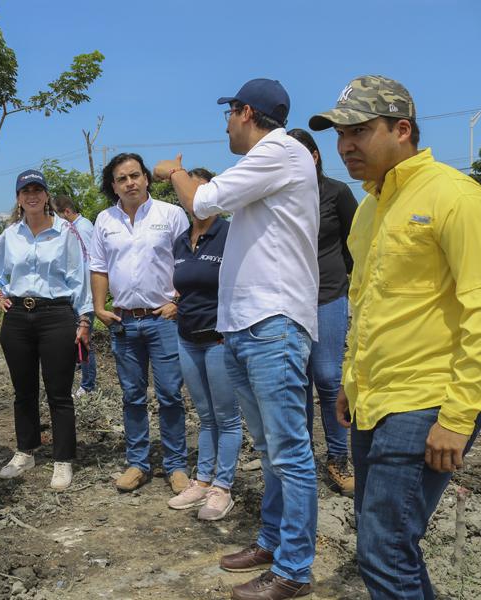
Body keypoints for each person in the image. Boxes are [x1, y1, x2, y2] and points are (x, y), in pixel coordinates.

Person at [309, 75, 481, 599]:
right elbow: (370, 305)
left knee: (384, 546)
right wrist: (351, 382)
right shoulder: (371, 211)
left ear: (402, 129)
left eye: (359, 131)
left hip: (428, 401)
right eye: (339, 134)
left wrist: (460, 414)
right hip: (372, 401)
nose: (345, 146)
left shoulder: (456, 198)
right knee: (385, 541)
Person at [154, 78, 319, 600]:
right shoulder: (265, 165)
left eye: (228, 114)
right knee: (271, 449)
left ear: (246, 113)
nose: (225, 124)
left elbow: (204, 200)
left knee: (289, 452)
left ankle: (294, 569)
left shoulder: (279, 150)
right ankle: (273, 540)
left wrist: (174, 171)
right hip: (247, 326)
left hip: (274, 325)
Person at [0, 170, 92, 491]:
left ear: (46, 196)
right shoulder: (11, 234)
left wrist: (84, 320)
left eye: (37, 190)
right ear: (18, 198)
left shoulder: (65, 232)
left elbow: (78, 277)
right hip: (18, 315)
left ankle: (62, 460)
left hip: (56, 314)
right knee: (23, 391)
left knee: (59, 393)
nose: (32, 196)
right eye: (25, 191)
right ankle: (25, 451)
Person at [90, 152, 190, 494]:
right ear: (113, 186)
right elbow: (99, 267)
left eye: (135, 175)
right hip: (124, 321)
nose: (130, 182)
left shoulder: (171, 214)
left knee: (169, 395)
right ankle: (138, 463)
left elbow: (187, 261)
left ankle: (176, 466)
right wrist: (99, 307)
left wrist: (176, 301)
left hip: (163, 320)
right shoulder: (105, 220)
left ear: (146, 178)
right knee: (132, 395)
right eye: (122, 178)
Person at [166, 168, 242, 521]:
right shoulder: (181, 241)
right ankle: (202, 479)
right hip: (187, 337)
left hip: (219, 338)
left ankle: (222, 488)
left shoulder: (231, 234)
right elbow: (184, 285)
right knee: (205, 415)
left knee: (226, 417)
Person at [287, 128, 358, 496]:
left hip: (329, 295)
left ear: (314, 156)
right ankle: (300, 461)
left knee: (329, 378)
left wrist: (338, 273)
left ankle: (338, 458)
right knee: (296, 383)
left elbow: (356, 244)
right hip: (288, 300)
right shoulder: (280, 196)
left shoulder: (336, 193)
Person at [50, 194, 97, 398]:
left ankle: (88, 385)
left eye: (57, 214)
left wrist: (85, 295)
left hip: (85, 292)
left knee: (83, 339)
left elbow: (89, 262)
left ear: (67, 212)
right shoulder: (77, 227)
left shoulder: (82, 227)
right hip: (78, 292)